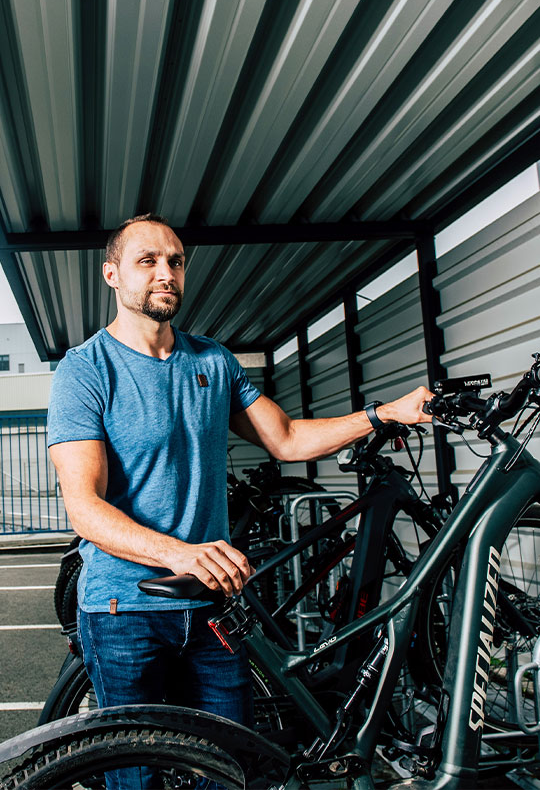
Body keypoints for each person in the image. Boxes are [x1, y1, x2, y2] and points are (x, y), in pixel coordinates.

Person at [46, 213, 433, 737]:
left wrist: (384, 414)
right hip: (125, 610)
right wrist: (181, 554)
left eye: (175, 262)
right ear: (111, 274)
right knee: (137, 766)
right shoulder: (85, 369)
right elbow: (84, 507)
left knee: (232, 761)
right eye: (147, 261)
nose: (166, 273)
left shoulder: (213, 360)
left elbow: (287, 438)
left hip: (212, 606)